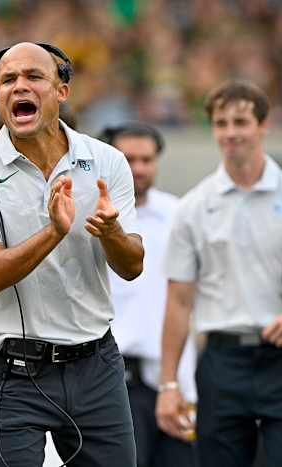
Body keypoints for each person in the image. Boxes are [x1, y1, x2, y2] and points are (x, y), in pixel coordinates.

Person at [0, 42, 143, 466]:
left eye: (33, 77)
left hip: (95, 364)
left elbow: (132, 266)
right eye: (7, 80)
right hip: (7, 373)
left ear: (61, 91)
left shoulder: (107, 161)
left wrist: (111, 233)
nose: (20, 87)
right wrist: (53, 232)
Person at [156, 80, 282, 467]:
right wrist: (168, 384)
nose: (230, 133)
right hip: (221, 362)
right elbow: (179, 301)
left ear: (263, 126)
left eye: (240, 122)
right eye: (221, 123)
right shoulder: (193, 207)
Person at [100, 123, 197, 467]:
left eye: (146, 159)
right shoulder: (89, 217)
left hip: (173, 379)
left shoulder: (179, 215)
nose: (138, 169)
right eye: (128, 159)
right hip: (110, 377)